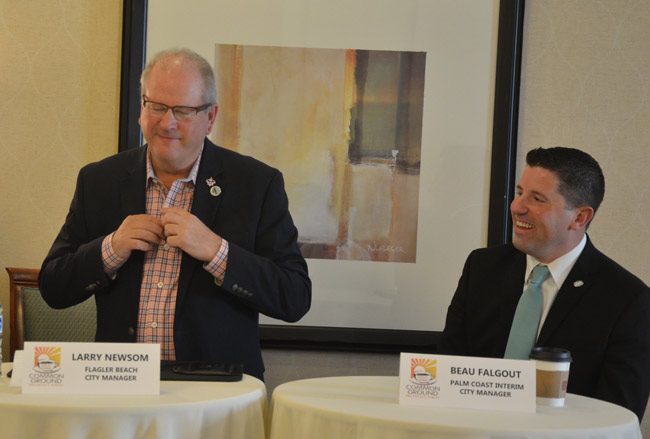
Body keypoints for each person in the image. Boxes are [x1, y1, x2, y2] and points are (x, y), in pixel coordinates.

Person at [39, 48, 311, 380]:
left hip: (214, 391)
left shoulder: (256, 184)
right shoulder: (99, 180)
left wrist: (216, 251)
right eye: (156, 107)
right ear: (142, 109)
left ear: (210, 118)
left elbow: (294, 297)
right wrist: (111, 248)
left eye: (183, 110)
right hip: (118, 384)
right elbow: (53, 287)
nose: (167, 123)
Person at [439, 146, 650, 420]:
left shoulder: (627, 300)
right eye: (519, 192)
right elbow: (447, 370)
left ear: (580, 217)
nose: (517, 207)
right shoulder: (482, 268)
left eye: (537, 199)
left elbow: (618, 416)